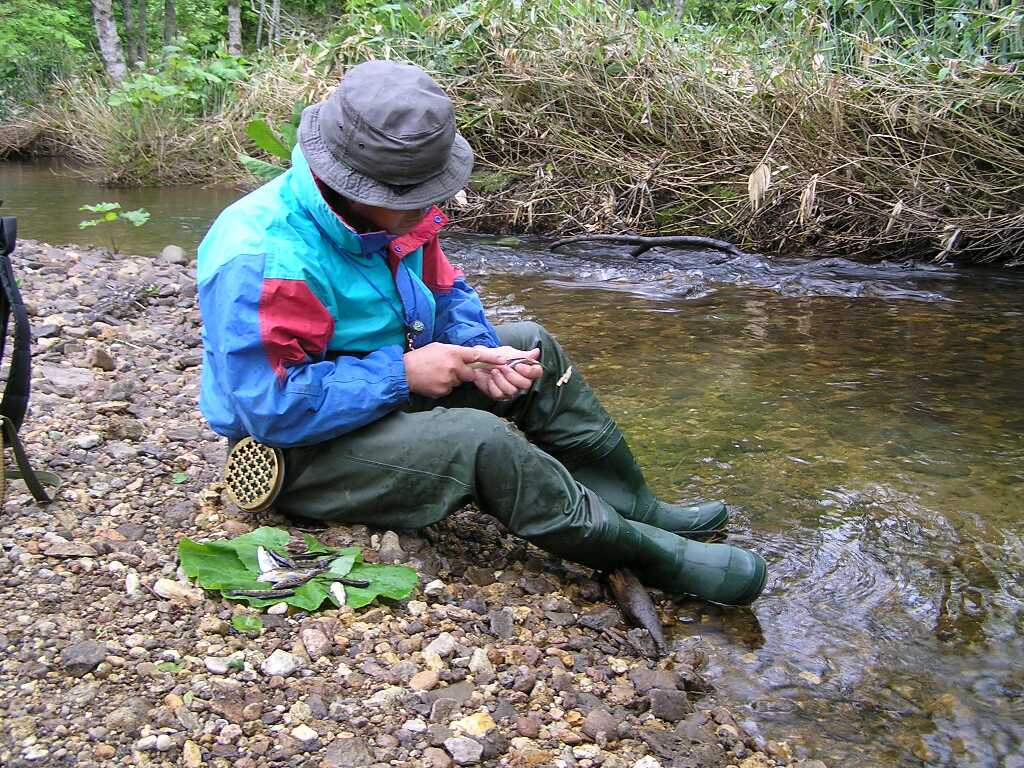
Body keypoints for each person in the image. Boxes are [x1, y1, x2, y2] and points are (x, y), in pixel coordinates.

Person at [197, 60, 767, 606]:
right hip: (296, 450)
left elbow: (448, 295)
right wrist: (402, 373)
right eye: (412, 199)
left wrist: (480, 352)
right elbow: (269, 405)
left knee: (531, 345)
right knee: (481, 442)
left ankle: (632, 505)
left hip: (373, 395)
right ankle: (648, 554)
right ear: (355, 183)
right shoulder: (264, 257)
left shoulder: (394, 215)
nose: (428, 208)